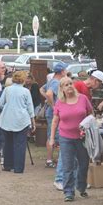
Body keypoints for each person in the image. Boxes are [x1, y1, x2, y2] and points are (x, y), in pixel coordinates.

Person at [49, 77, 93, 202]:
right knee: (68, 165)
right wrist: (52, 138)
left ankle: (81, 186)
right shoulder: (60, 102)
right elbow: (55, 121)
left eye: (70, 83)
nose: (69, 86)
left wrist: (89, 127)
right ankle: (68, 192)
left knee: (83, 164)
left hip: (82, 137)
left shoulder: (83, 99)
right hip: (65, 137)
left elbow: (90, 114)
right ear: (61, 88)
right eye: (65, 85)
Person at [0, 71, 36, 173]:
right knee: (20, 144)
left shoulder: (7, 89)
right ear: (23, 80)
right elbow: (30, 107)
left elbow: (0, 103)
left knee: (8, 143)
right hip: (21, 120)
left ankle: (7, 165)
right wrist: (33, 121)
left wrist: (8, 107)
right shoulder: (25, 91)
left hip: (7, 119)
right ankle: (18, 168)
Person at [40, 62, 68, 190]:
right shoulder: (56, 82)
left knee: (51, 135)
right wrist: (53, 105)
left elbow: (42, 89)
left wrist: (47, 99)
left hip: (51, 113)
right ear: (61, 71)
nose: (66, 71)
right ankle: (51, 160)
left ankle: (50, 159)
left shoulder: (51, 80)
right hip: (53, 113)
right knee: (54, 136)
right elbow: (50, 94)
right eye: (65, 70)